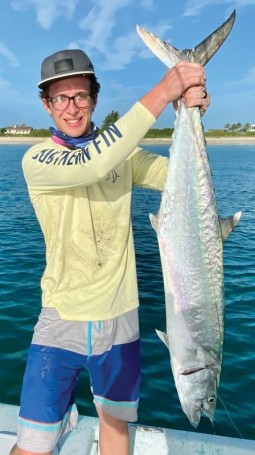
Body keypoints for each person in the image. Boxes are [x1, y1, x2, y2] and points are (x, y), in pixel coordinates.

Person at [10, 48, 209, 455]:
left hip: (121, 318)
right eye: (61, 98)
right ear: (46, 105)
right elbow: (92, 165)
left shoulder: (124, 156)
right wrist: (164, 89)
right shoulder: (37, 160)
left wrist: (190, 119)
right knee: (34, 443)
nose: (72, 107)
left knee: (115, 427)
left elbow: (180, 177)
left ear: (94, 100)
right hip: (61, 318)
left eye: (81, 96)